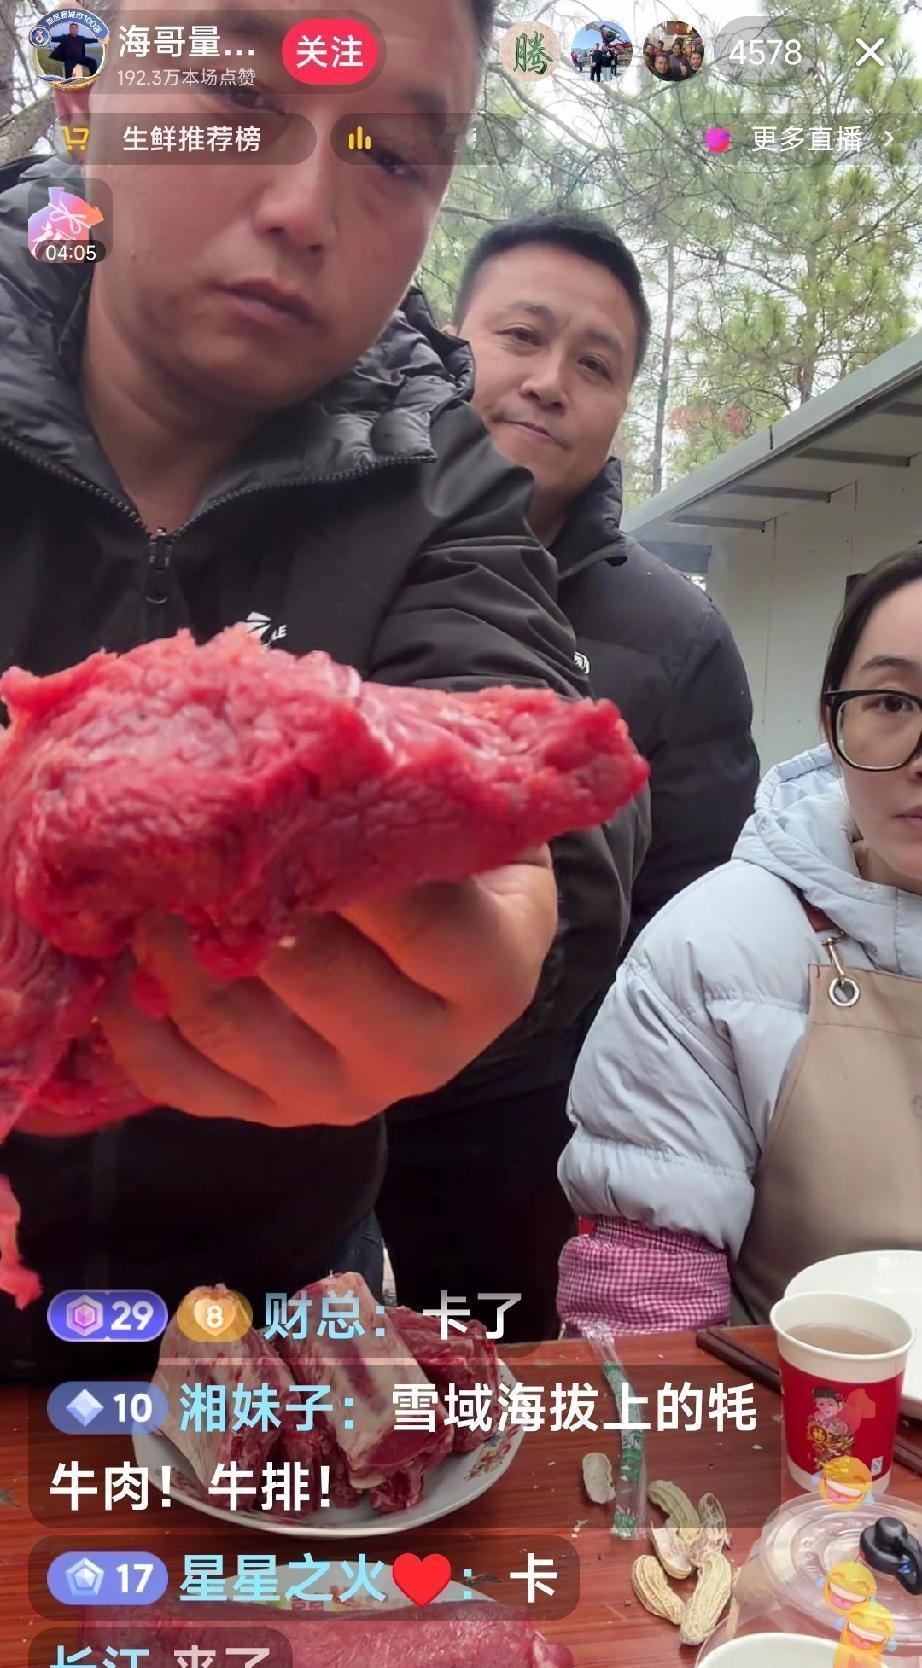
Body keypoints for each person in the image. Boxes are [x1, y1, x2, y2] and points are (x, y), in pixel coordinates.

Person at [0, 0, 631, 1378]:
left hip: (264, 1352)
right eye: (236, 95)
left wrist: (513, 917)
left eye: (391, 154)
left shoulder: (445, 475)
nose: (302, 207)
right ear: (86, 92)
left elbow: (524, 722)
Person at [378, 210, 757, 1339]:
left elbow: (683, 923)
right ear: (454, 342)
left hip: (513, 1128)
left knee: (482, 1404)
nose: (550, 382)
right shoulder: (325, 534)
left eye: (595, 365)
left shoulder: (676, 635)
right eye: (521, 336)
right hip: (263, 1097)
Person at [557, 551, 922, 1335]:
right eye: (893, 702)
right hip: (791, 1403)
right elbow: (644, 1312)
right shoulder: (711, 951)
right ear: (832, 724)